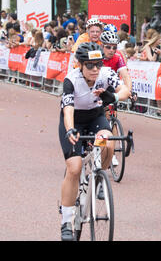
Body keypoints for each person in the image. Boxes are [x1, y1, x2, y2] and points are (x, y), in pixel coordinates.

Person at [58, 42, 130, 241]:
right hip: (75, 120)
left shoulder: (105, 74)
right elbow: (68, 110)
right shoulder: (71, 80)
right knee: (74, 167)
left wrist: (113, 96)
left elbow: (125, 90)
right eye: (90, 65)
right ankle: (66, 221)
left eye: (98, 64)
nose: (95, 69)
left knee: (107, 142)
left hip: (95, 117)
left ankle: (100, 175)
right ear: (80, 65)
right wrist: (71, 129)